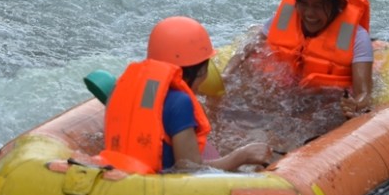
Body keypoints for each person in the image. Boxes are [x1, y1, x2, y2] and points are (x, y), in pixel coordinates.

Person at [101, 16, 272, 173]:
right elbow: (190, 169)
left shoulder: (123, 86)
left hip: (117, 177)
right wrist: (240, 156)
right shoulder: (179, 102)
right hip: (155, 189)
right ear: (202, 71)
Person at [245, 0, 374, 119]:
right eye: (304, 4)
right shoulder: (285, 18)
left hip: (326, 101)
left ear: (338, 6)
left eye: (318, 6)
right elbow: (250, 46)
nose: (309, 13)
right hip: (288, 93)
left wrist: (356, 105)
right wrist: (228, 74)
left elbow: (364, 94)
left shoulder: (357, 38)